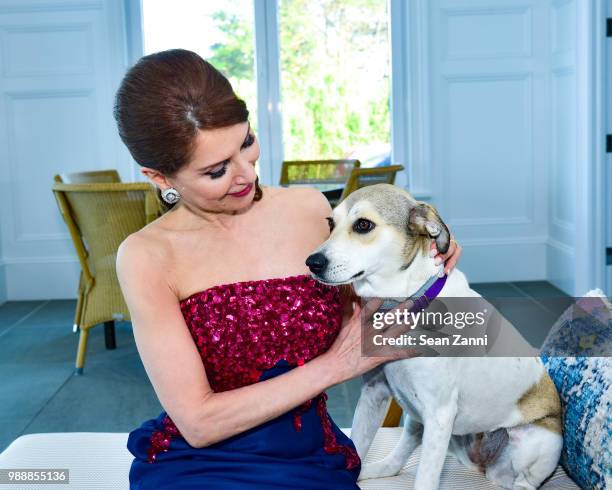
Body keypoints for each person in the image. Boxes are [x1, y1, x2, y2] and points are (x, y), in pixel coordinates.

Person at [113, 49, 462, 490]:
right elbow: (198, 422)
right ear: (160, 177)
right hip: (199, 466)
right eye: (217, 170)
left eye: (246, 143)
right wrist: (335, 368)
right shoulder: (146, 255)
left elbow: (374, 318)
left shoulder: (309, 211)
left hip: (309, 458)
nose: (245, 174)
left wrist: (422, 257)